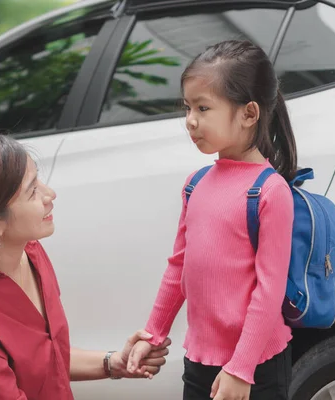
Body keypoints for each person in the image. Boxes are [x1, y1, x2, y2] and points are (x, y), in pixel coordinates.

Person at [0, 133, 171, 399]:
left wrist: (113, 363)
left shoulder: (30, 252)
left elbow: (42, 357)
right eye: (32, 192)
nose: (49, 194)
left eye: (38, 179)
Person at [127, 40, 298, 400]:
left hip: (255, 366)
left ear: (249, 114)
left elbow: (269, 291)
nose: (191, 120)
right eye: (188, 107)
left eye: (203, 108)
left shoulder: (269, 191)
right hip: (200, 361)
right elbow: (179, 267)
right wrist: (152, 333)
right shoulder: (196, 184)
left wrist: (242, 367)